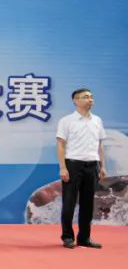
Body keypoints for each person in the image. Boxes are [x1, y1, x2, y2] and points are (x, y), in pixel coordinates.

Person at [56, 87, 107, 249]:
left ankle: (84, 238)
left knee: (88, 204)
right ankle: (67, 237)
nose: (90, 100)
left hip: (92, 165)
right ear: (76, 100)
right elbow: (60, 145)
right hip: (73, 165)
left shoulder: (97, 120)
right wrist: (63, 167)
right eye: (86, 97)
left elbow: (100, 145)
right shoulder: (66, 121)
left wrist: (103, 166)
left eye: (91, 97)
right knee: (69, 202)